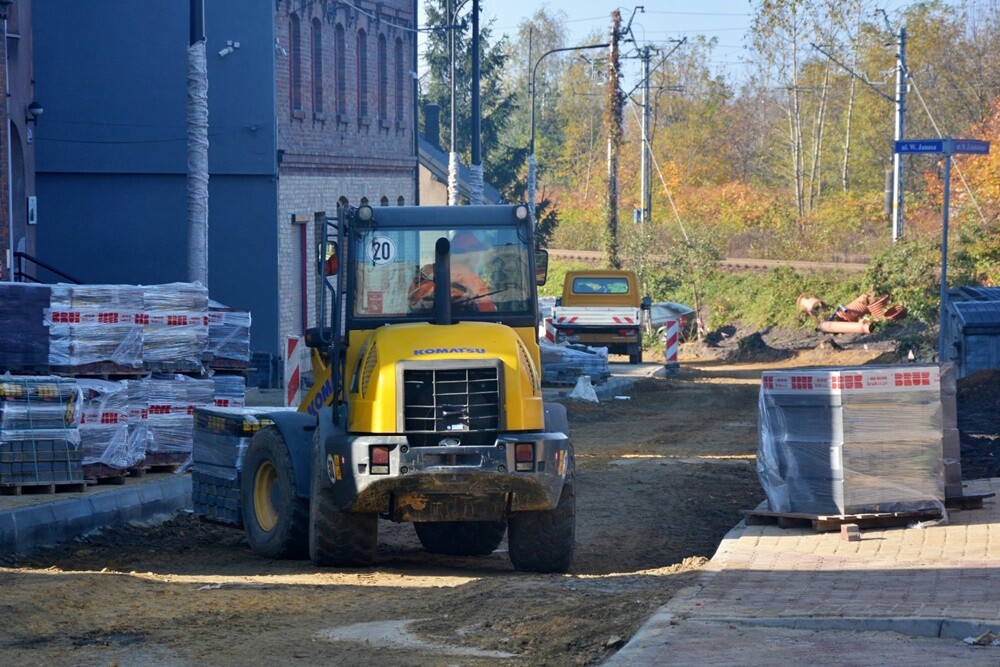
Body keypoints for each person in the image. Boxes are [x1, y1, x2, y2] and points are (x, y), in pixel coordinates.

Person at [407, 232, 497, 313]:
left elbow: (411, 304)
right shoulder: (473, 281)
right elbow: (489, 314)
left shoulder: (424, 273)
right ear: (470, 254)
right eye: (477, 251)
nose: (478, 257)